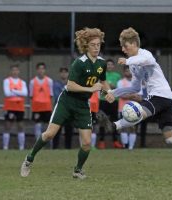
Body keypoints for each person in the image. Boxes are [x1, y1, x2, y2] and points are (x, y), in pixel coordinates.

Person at [105, 27, 172, 176]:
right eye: (122, 47)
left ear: (134, 43)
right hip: (163, 99)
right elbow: (135, 87)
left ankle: (114, 125)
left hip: (160, 96)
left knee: (137, 112)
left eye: (125, 46)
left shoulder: (145, 54)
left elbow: (145, 60)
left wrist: (128, 60)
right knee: (170, 138)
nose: (123, 49)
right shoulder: (132, 64)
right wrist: (113, 92)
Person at [21, 27, 113, 179]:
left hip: (83, 105)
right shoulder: (80, 63)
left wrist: (108, 92)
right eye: (93, 45)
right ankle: (29, 159)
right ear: (86, 46)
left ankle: (77, 170)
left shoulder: (101, 63)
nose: (96, 47)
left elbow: (103, 81)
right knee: (49, 134)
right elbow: (70, 85)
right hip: (67, 101)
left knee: (87, 143)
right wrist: (90, 89)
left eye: (98, 44)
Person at [98, 59, 122, 149]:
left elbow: (119, 89)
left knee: (115, 121)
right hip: (103, 100)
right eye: (108, 65)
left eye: (111, 65)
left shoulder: (117, 76)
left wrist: (112, 86)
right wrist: (107, 87)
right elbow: (100, 87)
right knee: (102, 121)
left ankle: (115, 141)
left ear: (114, 66)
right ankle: (101, 142)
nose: (109, 66)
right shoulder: (102, 75)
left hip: (114, 101)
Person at [2, 65, 28, 150]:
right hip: (9, 107)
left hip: (20, 107)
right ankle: (5, 147)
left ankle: (21, 147)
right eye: (13, 70)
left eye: (16, 70)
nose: (15, 72)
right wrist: (19, 92)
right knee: (7, 126)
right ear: (10, 71)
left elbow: (25, 93)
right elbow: (7, 93)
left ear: (19, 71)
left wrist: (13, 90)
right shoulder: (6, 81)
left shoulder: (22, 82)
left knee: (20, 126)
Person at [117, 65, 141, 149]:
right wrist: (132, 96)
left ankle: (131, 147)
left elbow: (140, 97)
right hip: (122, 108)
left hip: (134, 108)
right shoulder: (120, 82)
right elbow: (121, 95)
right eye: (127, 71)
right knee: (123, 127)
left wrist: (129, 95)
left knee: (133, 128)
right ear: (124, 72)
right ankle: (125, 145)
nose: (129, 72)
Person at [29, 62, 53, 140]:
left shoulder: (49, 81)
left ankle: (49, 145)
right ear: (37, 70)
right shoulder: (32, 82)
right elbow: (31, 95)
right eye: (39, 69)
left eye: (42, 69)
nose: (41, 70)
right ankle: (38, 144)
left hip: (47, 107)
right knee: (37, 126)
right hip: (37, 108)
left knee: (47, 127)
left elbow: (51, 95)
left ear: (45, 70)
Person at [52, 67, 74, 149]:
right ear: (59, 74)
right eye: (62, 72)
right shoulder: (56, 84)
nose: (64, 74)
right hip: (59, 111)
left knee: (69, 130)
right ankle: (55, 148)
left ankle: (68, 148)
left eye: (65, 72)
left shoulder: (72, 84)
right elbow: (58, 97)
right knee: (56, 130)